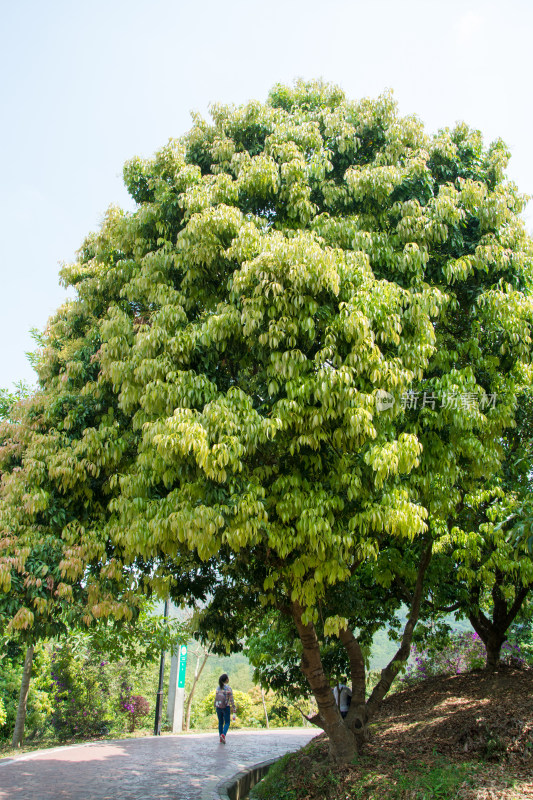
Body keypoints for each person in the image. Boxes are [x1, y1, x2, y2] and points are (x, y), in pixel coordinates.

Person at [214, 673, 236, 743]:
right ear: (226, 679)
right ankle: (223, 735)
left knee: (220, 722)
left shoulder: (218, 688)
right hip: (226, 707)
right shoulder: (228, 688)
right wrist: (233, 706)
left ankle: (221, 737)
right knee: (227, 723)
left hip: (218, 707)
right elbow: (231, 699)